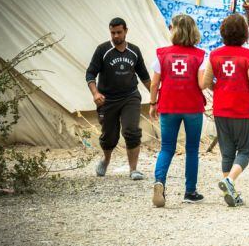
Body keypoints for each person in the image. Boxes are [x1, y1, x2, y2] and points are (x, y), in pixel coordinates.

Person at [200, 13, 249, 207]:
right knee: (246, 151)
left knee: (227, 153)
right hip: (243, 109)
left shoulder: (214, 55)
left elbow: (205, 82)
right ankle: (229, 181)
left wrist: (219, 88)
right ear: (244, 33)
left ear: (223, 32)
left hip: (221, 109)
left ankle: (231, 192)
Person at [149, 14, 207, 207]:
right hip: (192, 107)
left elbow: (155, 83)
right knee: (192, 149)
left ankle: (159, 182)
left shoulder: (162, 54)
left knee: (167, 147)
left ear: (174, 30)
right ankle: (190, 191)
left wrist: (152, 103)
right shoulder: (200, 55)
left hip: (168, 105)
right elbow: (201, 83)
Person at [86, 17, 151, 179]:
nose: (116, 36)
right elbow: (90, 74)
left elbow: (144, 76)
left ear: (126, 31)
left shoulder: (134, 51)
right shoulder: (102, 50)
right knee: (109, 137)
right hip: (107, 99)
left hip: (130, 97)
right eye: (113, 33)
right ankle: (106, 160)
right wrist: (95, 93)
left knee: (131, 131)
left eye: (119, 32)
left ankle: (133, 169)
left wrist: (157, 97)